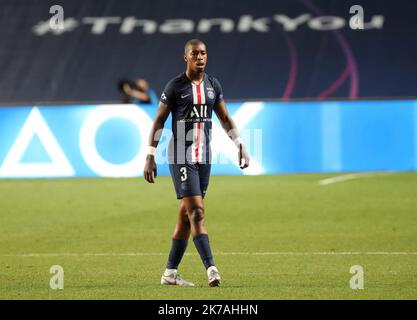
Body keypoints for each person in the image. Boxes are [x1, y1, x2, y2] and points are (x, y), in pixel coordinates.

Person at [143, 39, 250, 287]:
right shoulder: (175, 87)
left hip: (204, 157)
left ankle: (170, 273)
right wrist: (150, 155)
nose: (200, 57)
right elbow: (158, 121)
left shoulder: (213, 85)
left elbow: (224, 117)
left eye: (203, 53)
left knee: (185, 216)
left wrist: (240, 144)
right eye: (195, 54)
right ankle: (211, 268)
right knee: (197, 212)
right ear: (186, 58)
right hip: (181, 156)